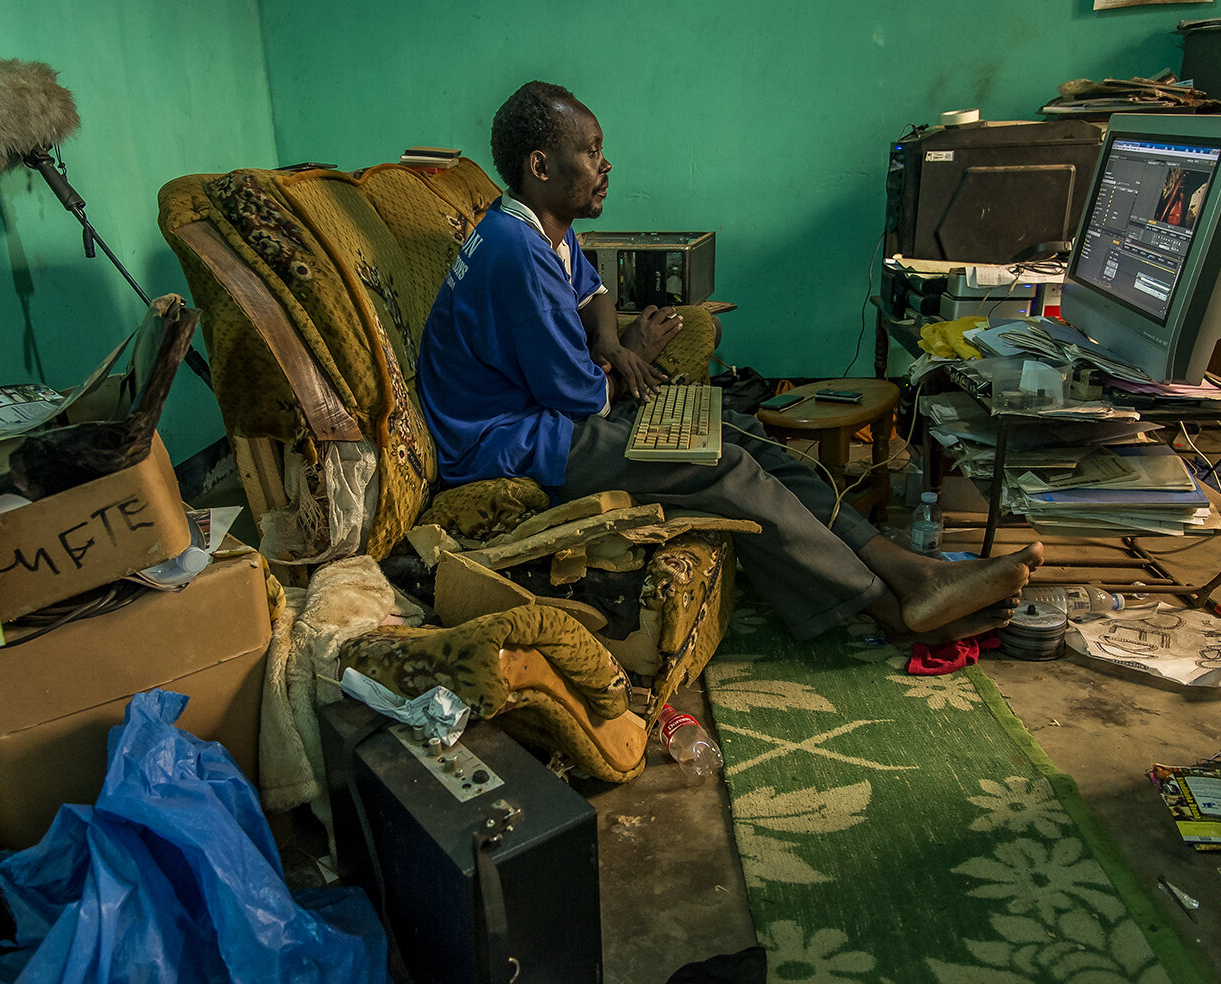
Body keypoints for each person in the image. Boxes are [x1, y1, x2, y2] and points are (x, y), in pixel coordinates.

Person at [416, 81, 1042, 645]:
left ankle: (914, 571)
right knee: (720, 463)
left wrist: (610, 345)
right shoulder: (514, 256)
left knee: (749, 440)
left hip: (547, 416)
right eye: (591, 150)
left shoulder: (541, 226)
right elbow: (582, 399)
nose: (605, 165)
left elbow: (594, 293)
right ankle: (882, 607)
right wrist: (631, 354)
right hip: (506, 441)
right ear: (541, 165)